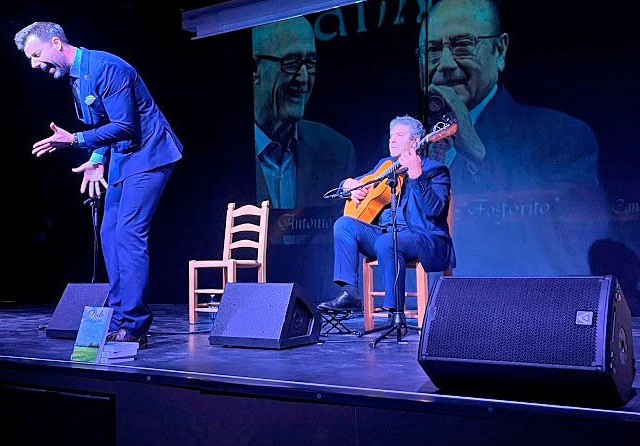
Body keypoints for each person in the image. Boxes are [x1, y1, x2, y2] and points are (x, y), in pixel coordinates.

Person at [15, 22, 183, 345]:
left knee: (128, 233)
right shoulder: (78, 79)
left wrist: (75, 140)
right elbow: (105, 124)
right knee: (108, 233)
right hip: (124, 158)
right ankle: (120, 319)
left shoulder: (105, 67)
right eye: (30, 60)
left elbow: (126, 126)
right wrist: (95, 159)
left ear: (56, 43)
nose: (35, 65)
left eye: (36, 55)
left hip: (149, 154)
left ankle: (134, 326)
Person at [417, 0, 606, 276]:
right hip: (427, 301)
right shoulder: (404, 142)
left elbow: (569, 238)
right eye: (433, 50)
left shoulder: (560, 135)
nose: (445, 64)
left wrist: (480, 158)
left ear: (500, 49)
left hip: (518, 303)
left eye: (462, 45)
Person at [318, 116, 455, 312]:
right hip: (385, 233)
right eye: (391, 136)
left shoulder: (435, 170)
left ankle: (394, 312)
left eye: (399, 135)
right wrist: (348, 185)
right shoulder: (386, 165)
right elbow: (361, 182)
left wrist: (417, 177)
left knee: (387, 241)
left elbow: (436, 210)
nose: (392, 140)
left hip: (421, 237)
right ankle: (350, 293)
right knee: (344, 224)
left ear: (415, 142)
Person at [253, 17, 355, 209]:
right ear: (256, 68)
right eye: (291, 62)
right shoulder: (219, 159)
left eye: (309, 63)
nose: (303, 78)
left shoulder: (338, 151)